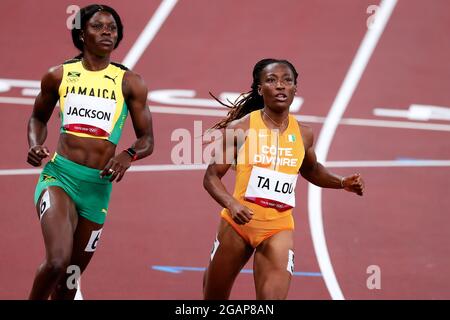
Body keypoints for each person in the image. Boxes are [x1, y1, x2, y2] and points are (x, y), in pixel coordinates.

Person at [202, 58, 364, 300]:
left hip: (278, 229)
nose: (280, 86)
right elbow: (211, 177)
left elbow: (311, 169)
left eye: (287, 81)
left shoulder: (304, 134)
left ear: (295, 88)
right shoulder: (241, 128)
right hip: (237, 227)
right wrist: (232, 204)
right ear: (260, 89)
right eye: (271, 80)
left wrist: (341, 182)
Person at [26, 4, 154, 300]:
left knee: (70, 278)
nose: (107, 32)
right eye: (98, 27)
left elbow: (147, 139)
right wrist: (34, 143)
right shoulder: (59, 75)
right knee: (57, 261)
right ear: (82, 34)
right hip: (59, 177)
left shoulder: (130, 82)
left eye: (112, 27)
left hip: (97, 189)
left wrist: (128, 155)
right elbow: (37, 118)